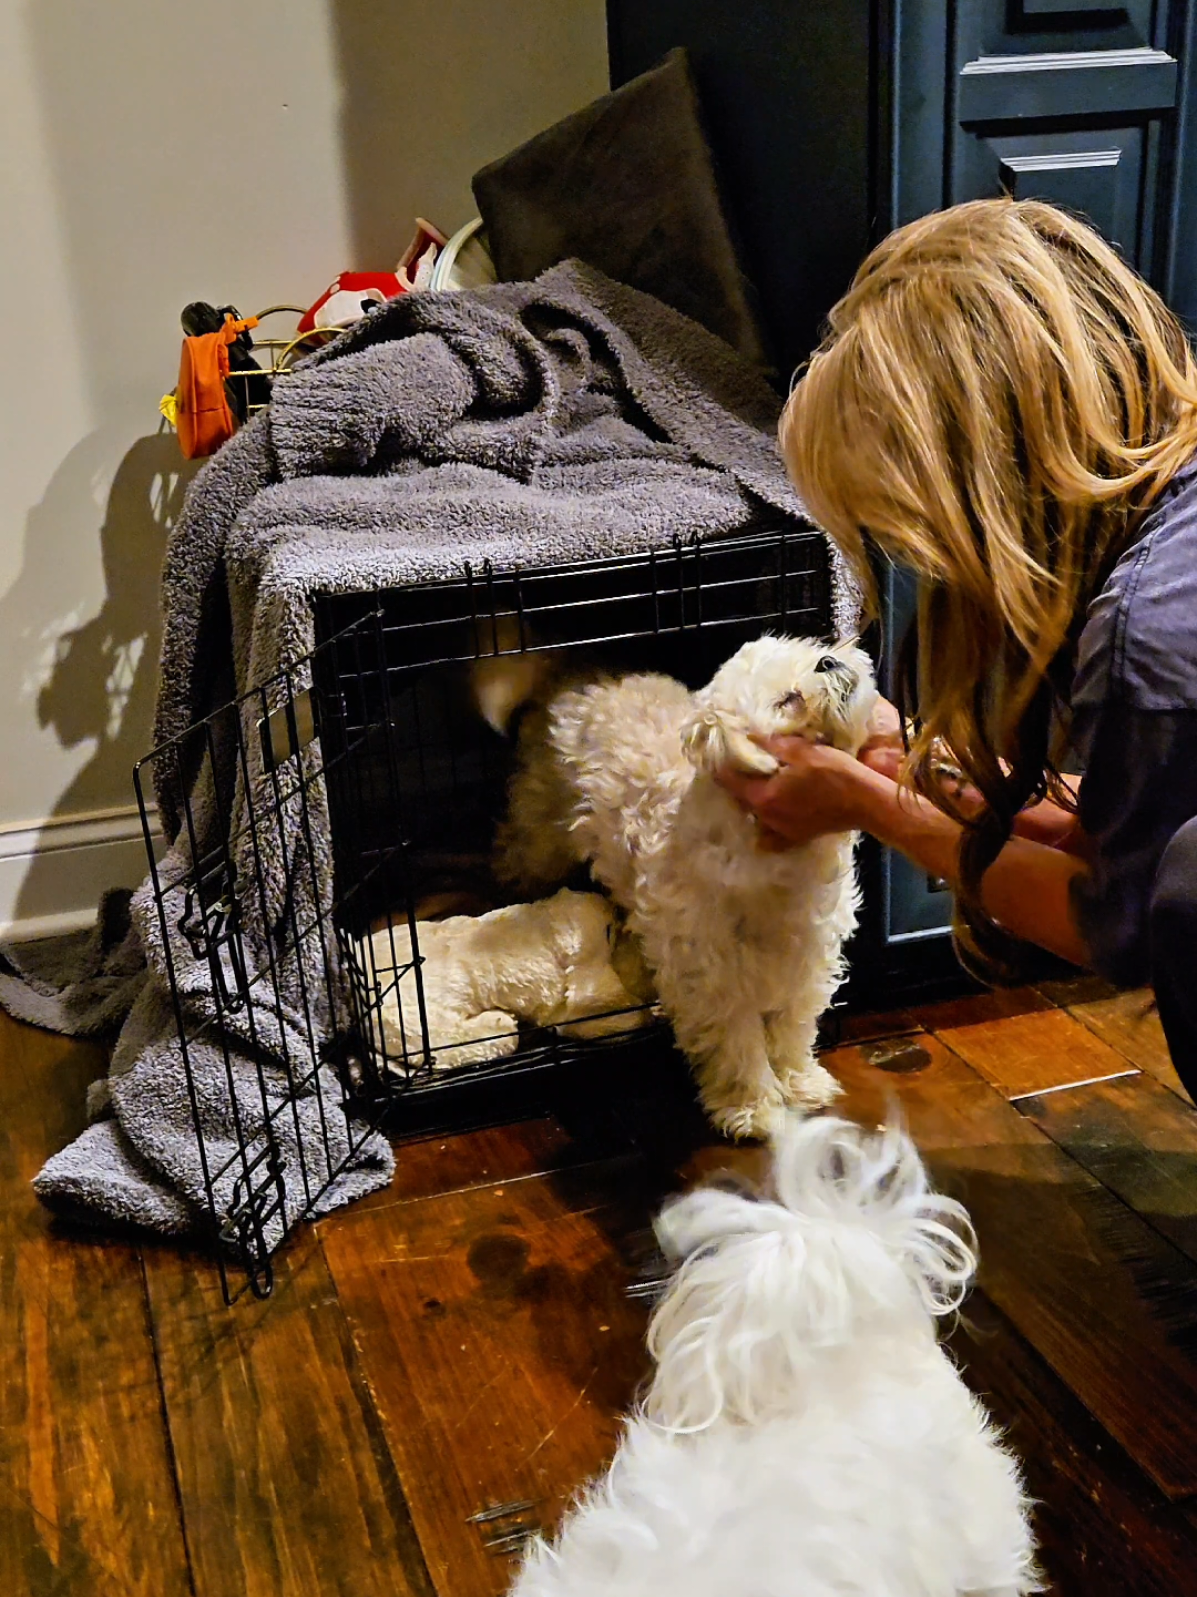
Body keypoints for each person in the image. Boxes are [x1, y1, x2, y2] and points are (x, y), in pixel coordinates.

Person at [717, 198, 1197, 1098]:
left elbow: (1123, 924)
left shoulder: (1149, 633)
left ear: (976, 478)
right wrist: (935, 776)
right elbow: (1151, 812)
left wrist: (867, 801)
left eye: (906, 523)